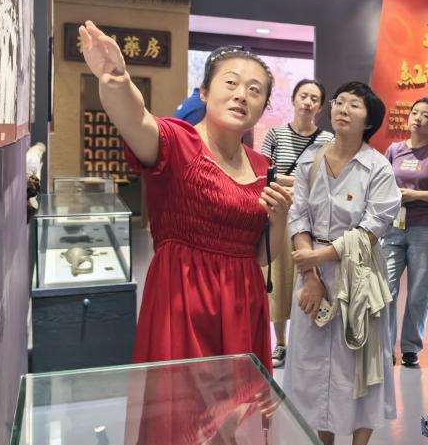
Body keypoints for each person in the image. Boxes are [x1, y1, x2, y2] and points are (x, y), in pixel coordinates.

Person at [77, 21, 292, 369]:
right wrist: (116, 80)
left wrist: (280, 217)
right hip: (183, 300)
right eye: (231, 83)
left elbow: (262, 257)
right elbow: (136, 120)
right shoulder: (177, 142)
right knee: (182, 399)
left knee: (239, 399)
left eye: (255, 91)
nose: (241, 95)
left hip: (243, 303)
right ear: (204, 92)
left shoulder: (262, 166)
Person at [283, 81, 402, 445]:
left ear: (369, 120)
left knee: (361, 366)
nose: (342, 109)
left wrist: (317, 258)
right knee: (313, 362)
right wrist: (310, 276)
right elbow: (298, 217)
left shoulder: (378, 168)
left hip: (359, 277)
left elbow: (372, 228)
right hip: (313, 274)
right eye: (339, 102)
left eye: (354, 105)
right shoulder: (310, 160)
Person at [260, 79, 333, 367]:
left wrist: (290, 181)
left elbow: (326, 178)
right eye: (303, 96)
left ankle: (306, 343)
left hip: (313, 219)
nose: (308, 102)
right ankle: (280, 343)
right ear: (293, 99)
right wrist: (301, 181)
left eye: (314, 98)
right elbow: (265, 174)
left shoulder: (327, 140)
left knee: (309, 275)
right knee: (279, 280)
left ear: (320, 106)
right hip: (279, 214)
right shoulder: (275, 135)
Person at [382, 98, 428, 367]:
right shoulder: (394, 150)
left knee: (419, 291)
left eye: (426, 115)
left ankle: (411, 347)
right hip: (393, 227)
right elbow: (381, 183)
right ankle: (385, 346)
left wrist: (416, 195)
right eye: (415, 113)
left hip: (425, 228)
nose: (418, 118)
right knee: (386, 288)